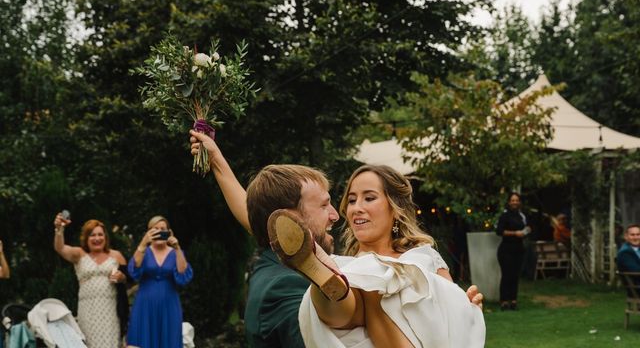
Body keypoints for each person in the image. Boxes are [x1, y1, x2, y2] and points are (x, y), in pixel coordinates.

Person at [189, 130, 484, 347]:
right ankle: (331, 286)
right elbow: (272, 225)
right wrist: (218, 161)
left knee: (372, 287)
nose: (355, 208)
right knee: (358, 288)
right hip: (350, 307)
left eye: (369, 198)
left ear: (394, 208)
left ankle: (335, 286)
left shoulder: (424, 254)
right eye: (351, 199)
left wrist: (465, 308)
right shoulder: (349, 262)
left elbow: (449, 318)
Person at [53, 214, 128, 348]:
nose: (97, 238)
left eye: (100, 235)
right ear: (86, 238)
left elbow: (128, 279)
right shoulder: (79, 254)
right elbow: (60, 248)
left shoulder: (116, 255)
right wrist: (59, 229)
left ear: (105, 237)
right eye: (92, 235)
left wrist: (121, 277)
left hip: (110, 310)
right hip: (88, 310)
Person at [127, 215, 193, 348]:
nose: (159, 232)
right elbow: (134, 270)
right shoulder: (144, 251)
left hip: (169, 305)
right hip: (144, 306)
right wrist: (143, 244)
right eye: (155, 229)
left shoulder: (175, 252)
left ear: (169, 232)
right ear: (148, 232)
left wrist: (177, 248)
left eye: (162, 229)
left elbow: (183, 275)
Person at [495, 192, 530, 311]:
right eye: (512, 200)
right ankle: (504, 301)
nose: (515, 202)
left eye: (517, 200)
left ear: (519, 202)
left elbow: (528, 227)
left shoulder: (522, 216)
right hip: (506, 249)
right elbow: (499, 231)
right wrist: (515, 233)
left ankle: (513, 301)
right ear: (509, 202)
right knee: (506, 275)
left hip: (519, 249)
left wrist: (526, 231)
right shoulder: (504, 216)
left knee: (515, 276)